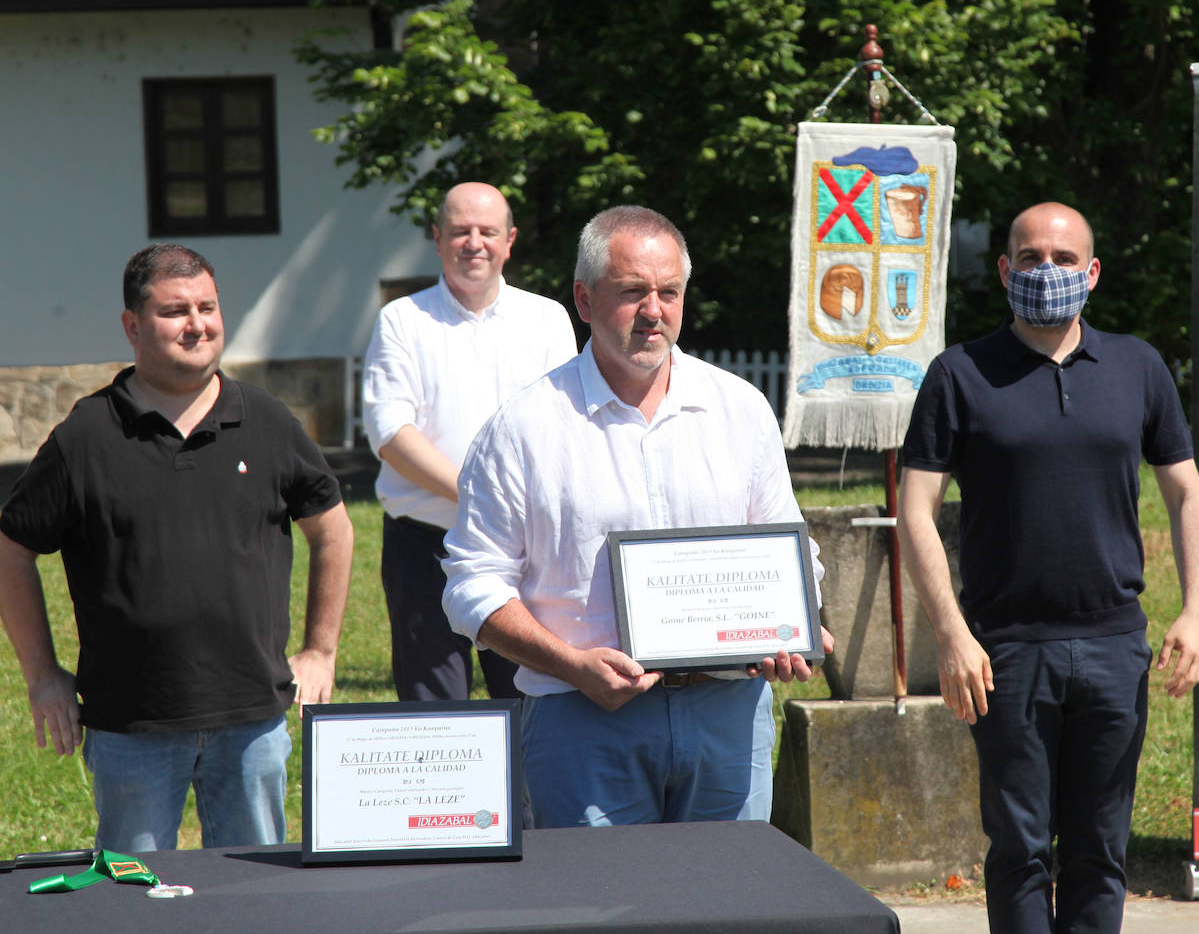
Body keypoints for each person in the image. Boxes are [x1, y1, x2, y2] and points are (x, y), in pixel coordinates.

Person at [441, 205, 830, 828]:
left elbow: (791, 550)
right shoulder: (523, 430)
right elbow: (472, 588)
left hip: (728, 716)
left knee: (728, 911)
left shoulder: (739, 410)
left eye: (668, 292)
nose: (654, 310)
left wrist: (793, 628)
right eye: (631, 292)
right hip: (584, 719)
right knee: (600, 914)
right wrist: (572, 665)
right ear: (583, 299)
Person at [896, 202, 1199, 934]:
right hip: (1006, 650)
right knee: (1020, 851)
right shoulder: (959, 374)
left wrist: (1195, 611)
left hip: (1112, 646)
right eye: (1031, 256)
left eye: (1065, 259)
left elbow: (1187, 490)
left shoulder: (1137, 366)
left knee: (1102, 851)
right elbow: (916, 509)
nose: (1048, 271)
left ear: (1093, 272)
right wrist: (950, 632)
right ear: (1005, 270)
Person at [0, 243, 353, 853]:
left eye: (208, 307)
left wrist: (320, 651)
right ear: (132, 326)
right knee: (136, 905)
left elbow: (334, 530)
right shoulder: (86, 437)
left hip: (252, 721)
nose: (197, 325)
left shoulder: (267, 422)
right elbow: (10, 551)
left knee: (255, 901)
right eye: (175, 311)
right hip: (131, 726)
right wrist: (42, 677)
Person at [363, 182, 575, 703]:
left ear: (510, 241)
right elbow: (390, 433)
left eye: (487, 232)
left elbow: (568, 429)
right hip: (425, 542)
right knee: (434, 709)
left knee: (531, 699)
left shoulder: (546, 320)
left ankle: (525, 792)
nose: (473, 242)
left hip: (524, 548)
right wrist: (478, 494)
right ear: (437, 239)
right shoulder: (402, 321)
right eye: (460, 231)